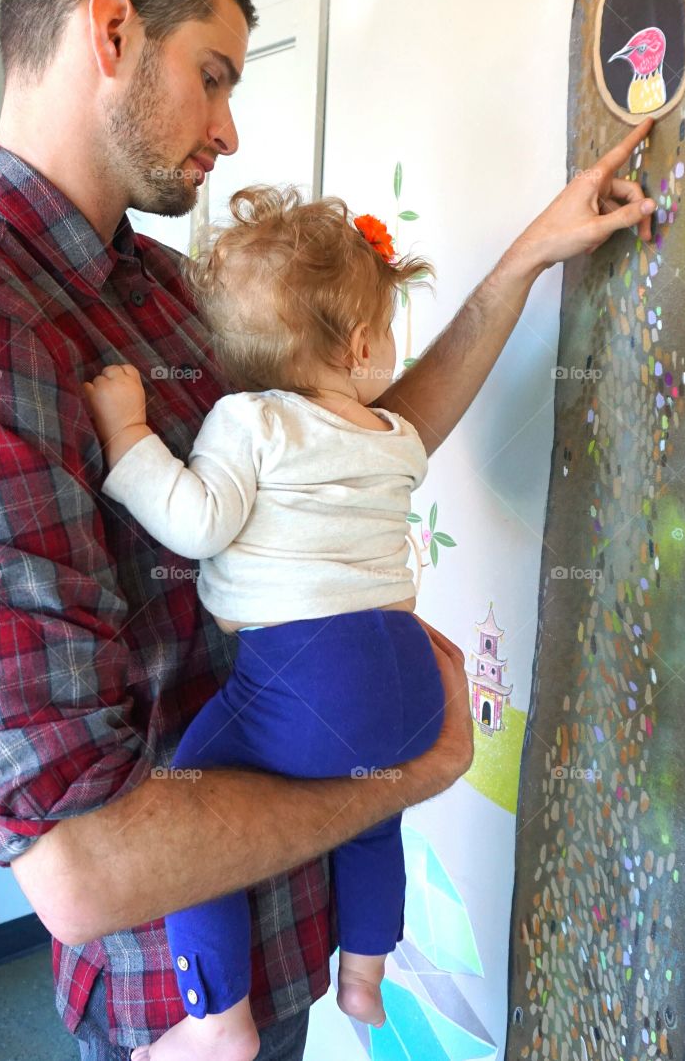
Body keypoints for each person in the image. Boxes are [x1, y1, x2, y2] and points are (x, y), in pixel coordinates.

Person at [0, 0, 654, 1061]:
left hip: (295, 927)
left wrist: (527, 256)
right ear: (111, 32)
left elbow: (358, 436)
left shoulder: (157, 282)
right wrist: (408, 770)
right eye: (215, 75)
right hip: (180, 992)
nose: (230, 130)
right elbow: (80, 871)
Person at [83, 187, 449, 1061]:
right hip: (406, 677)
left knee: (185, 811)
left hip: (303, 674)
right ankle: (364, 971)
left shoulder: (247, 421)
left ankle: (217, 1018)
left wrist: (130, 432)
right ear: (360, 347)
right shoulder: (396, 435)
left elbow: (197, 521)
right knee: (368, 806)